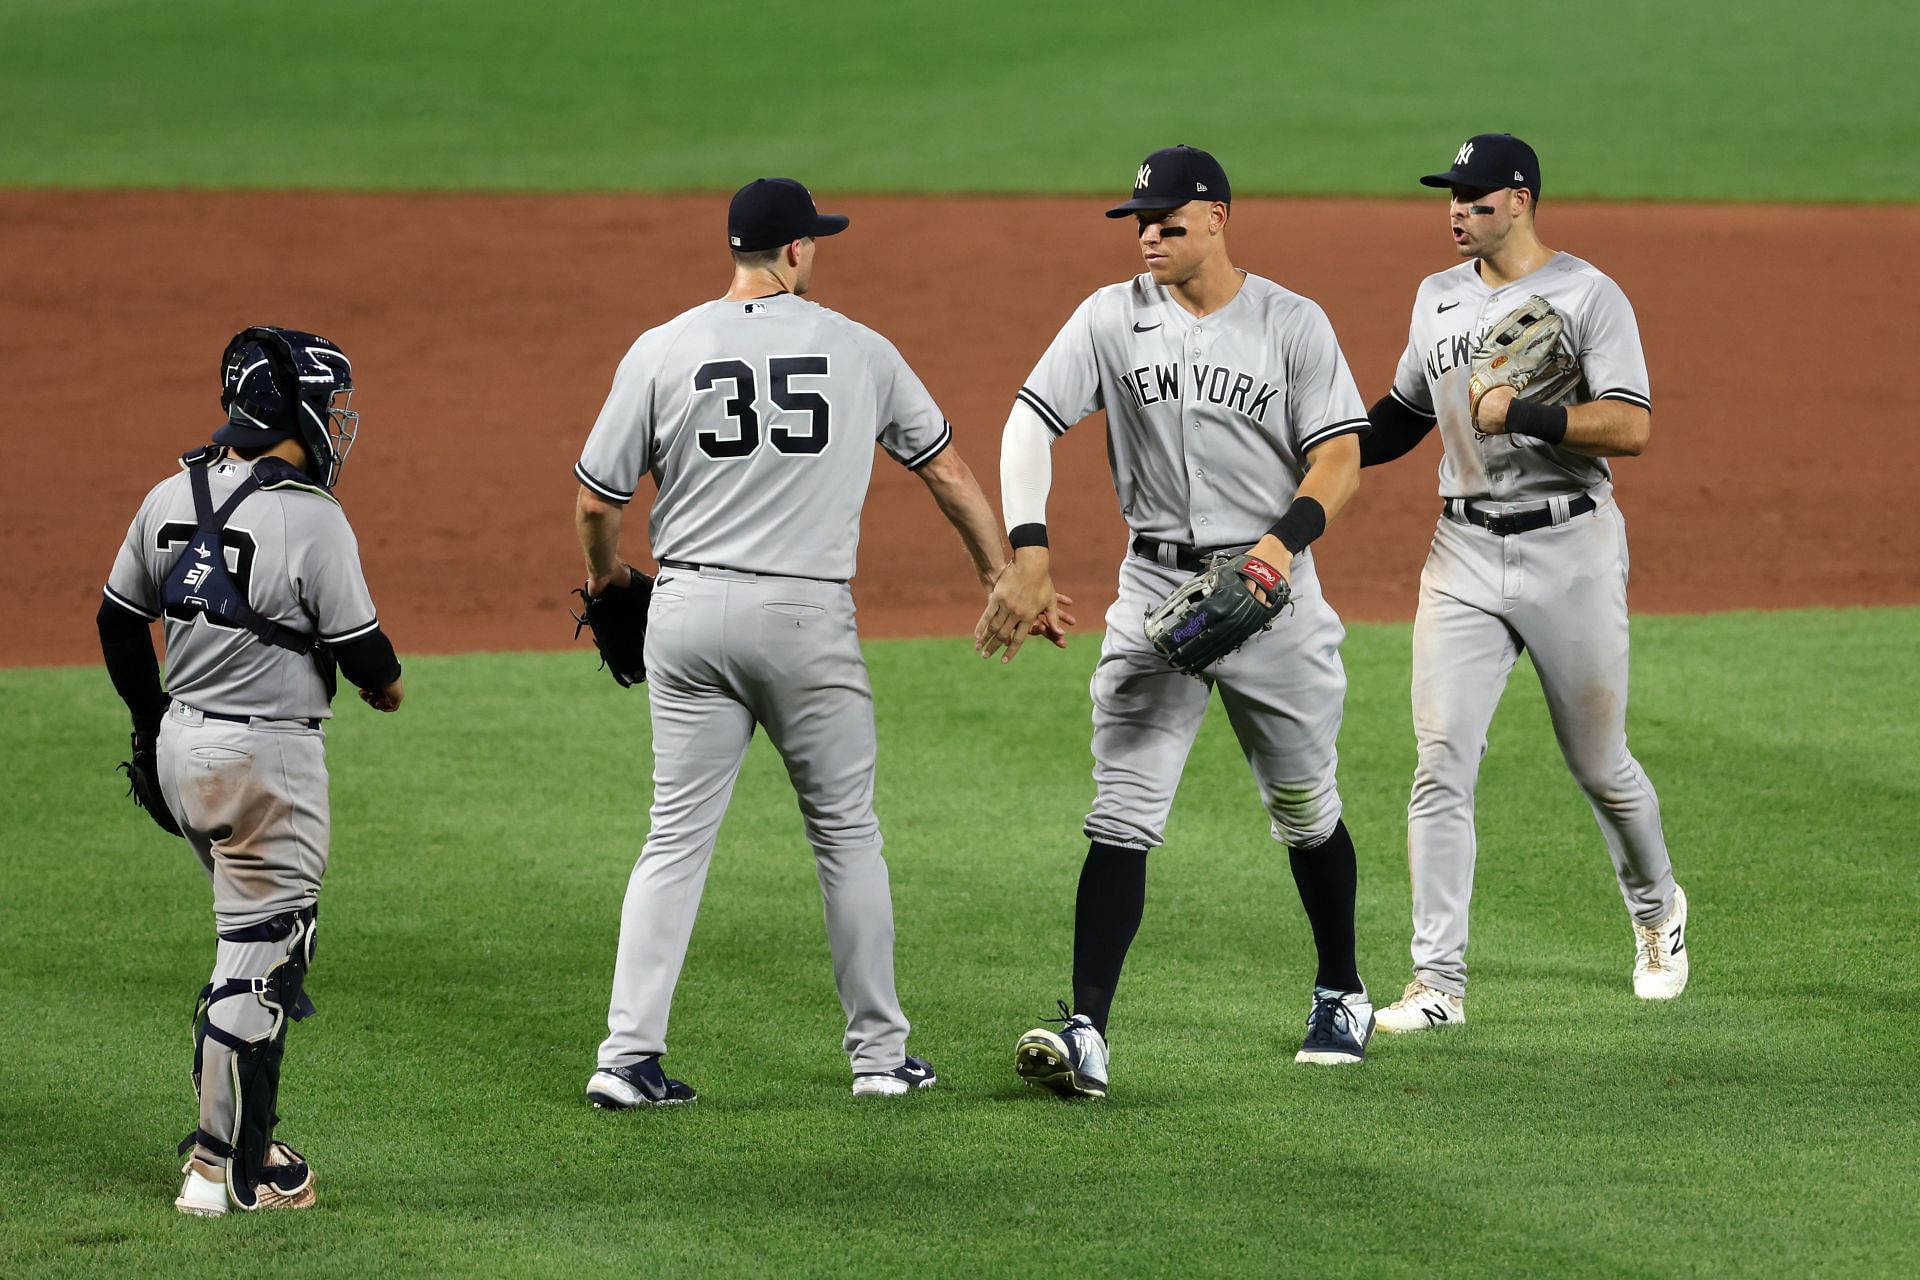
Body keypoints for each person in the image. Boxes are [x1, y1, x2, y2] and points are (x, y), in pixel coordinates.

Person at [577, 178, 1047, 1105]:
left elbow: (598, 499)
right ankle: (879, 1060)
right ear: (794, 251)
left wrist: (606, 581)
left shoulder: (662, 346)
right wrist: (1003, 575)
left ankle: (625, 1060)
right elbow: (946, 471)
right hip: (804, 621)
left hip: (687, 609)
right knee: (844, 836)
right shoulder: (859, 348)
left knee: (673, 840)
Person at [977, 145, 1376, 1097]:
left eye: (1166, 221)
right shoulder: (1110, 317)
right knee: (1120, 811)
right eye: (1139, 222)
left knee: (1304, 807)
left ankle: (1341, 988)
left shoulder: (1291, 322)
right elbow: (1029, 420)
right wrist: (1028, 547)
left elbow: (1341, 460)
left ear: (1217, 217)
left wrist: (1278, 548)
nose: (1147, 236)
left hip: (1273, 592)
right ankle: (1086, 1032)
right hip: (1153, 587)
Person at [1360, 133, 1688, 1034]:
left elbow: (1630, 428)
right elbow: (1400, 418)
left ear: (1519, 199)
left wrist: (1528, 413)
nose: (1454, 209)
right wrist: (1322, 450)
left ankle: (1657, 910)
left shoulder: (1588, 295)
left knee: (1601, 767)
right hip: (1460, 553)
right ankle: (1437, 984)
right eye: (1449, 196)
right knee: (1441, 763)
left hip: (1569, 549)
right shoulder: (1436, 297)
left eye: (1470, 195)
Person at [98, 326, 405, 1216]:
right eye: (330, 400)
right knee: (266, 960)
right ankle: (226, 1168)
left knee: (246, 944)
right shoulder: (311, 517)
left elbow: (119, 623)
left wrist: (152, 728)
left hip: (183, 750)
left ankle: (242, 1145)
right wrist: (388, 689)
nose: (338, 421)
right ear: (293, 407)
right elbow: (365, 653)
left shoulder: (167, 494)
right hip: (266, 763)